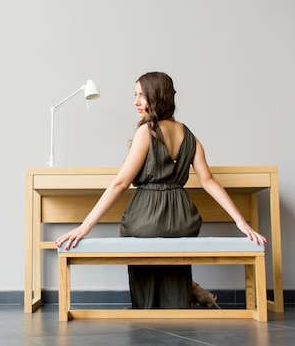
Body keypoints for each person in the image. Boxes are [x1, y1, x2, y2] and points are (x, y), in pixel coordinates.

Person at [55, 71, 267, 309]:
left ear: (157, 97)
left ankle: (148, 307)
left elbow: (120, 183)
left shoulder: (147, 132)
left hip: (146, 217)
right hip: (183, 220)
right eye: (135, 95)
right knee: (173, 253)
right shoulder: (190, 136)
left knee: (137, 239)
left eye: (142, 95)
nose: (136, 102)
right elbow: (208, 180)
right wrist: (241, 222)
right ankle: (186, 294)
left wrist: (85, 226)